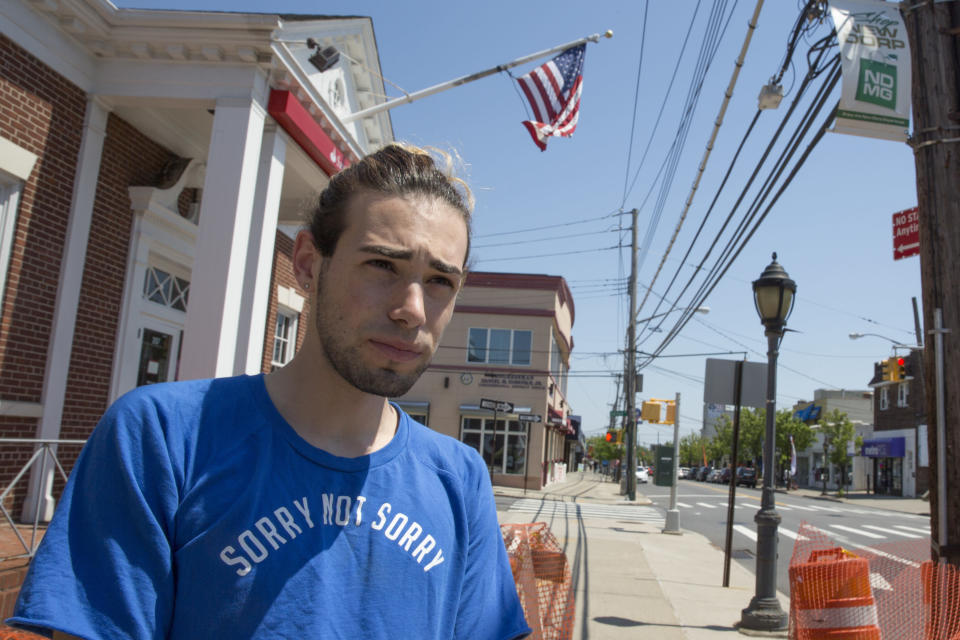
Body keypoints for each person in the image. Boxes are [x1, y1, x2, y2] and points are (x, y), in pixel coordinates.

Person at [9, 144, 531, 640]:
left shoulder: (460, 480)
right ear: (307, 263)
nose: (412, 309)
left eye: (440, 281)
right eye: (382, 265)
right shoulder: (162, 438)